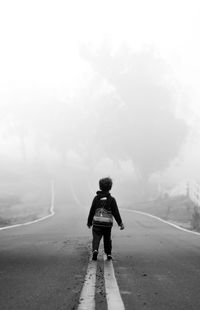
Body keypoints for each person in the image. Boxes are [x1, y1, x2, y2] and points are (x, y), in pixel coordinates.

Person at [87, 177, 124, 261]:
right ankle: (108, 253)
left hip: (97, 223)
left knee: (96, 238)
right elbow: (116, 212)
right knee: (107, 239)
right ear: (110, 187)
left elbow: (92, 211)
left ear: (100, 187)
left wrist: (89, 222)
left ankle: (95, 250)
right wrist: (120, 223)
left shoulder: (96, 199)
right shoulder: (112, 200)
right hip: (107, 224)